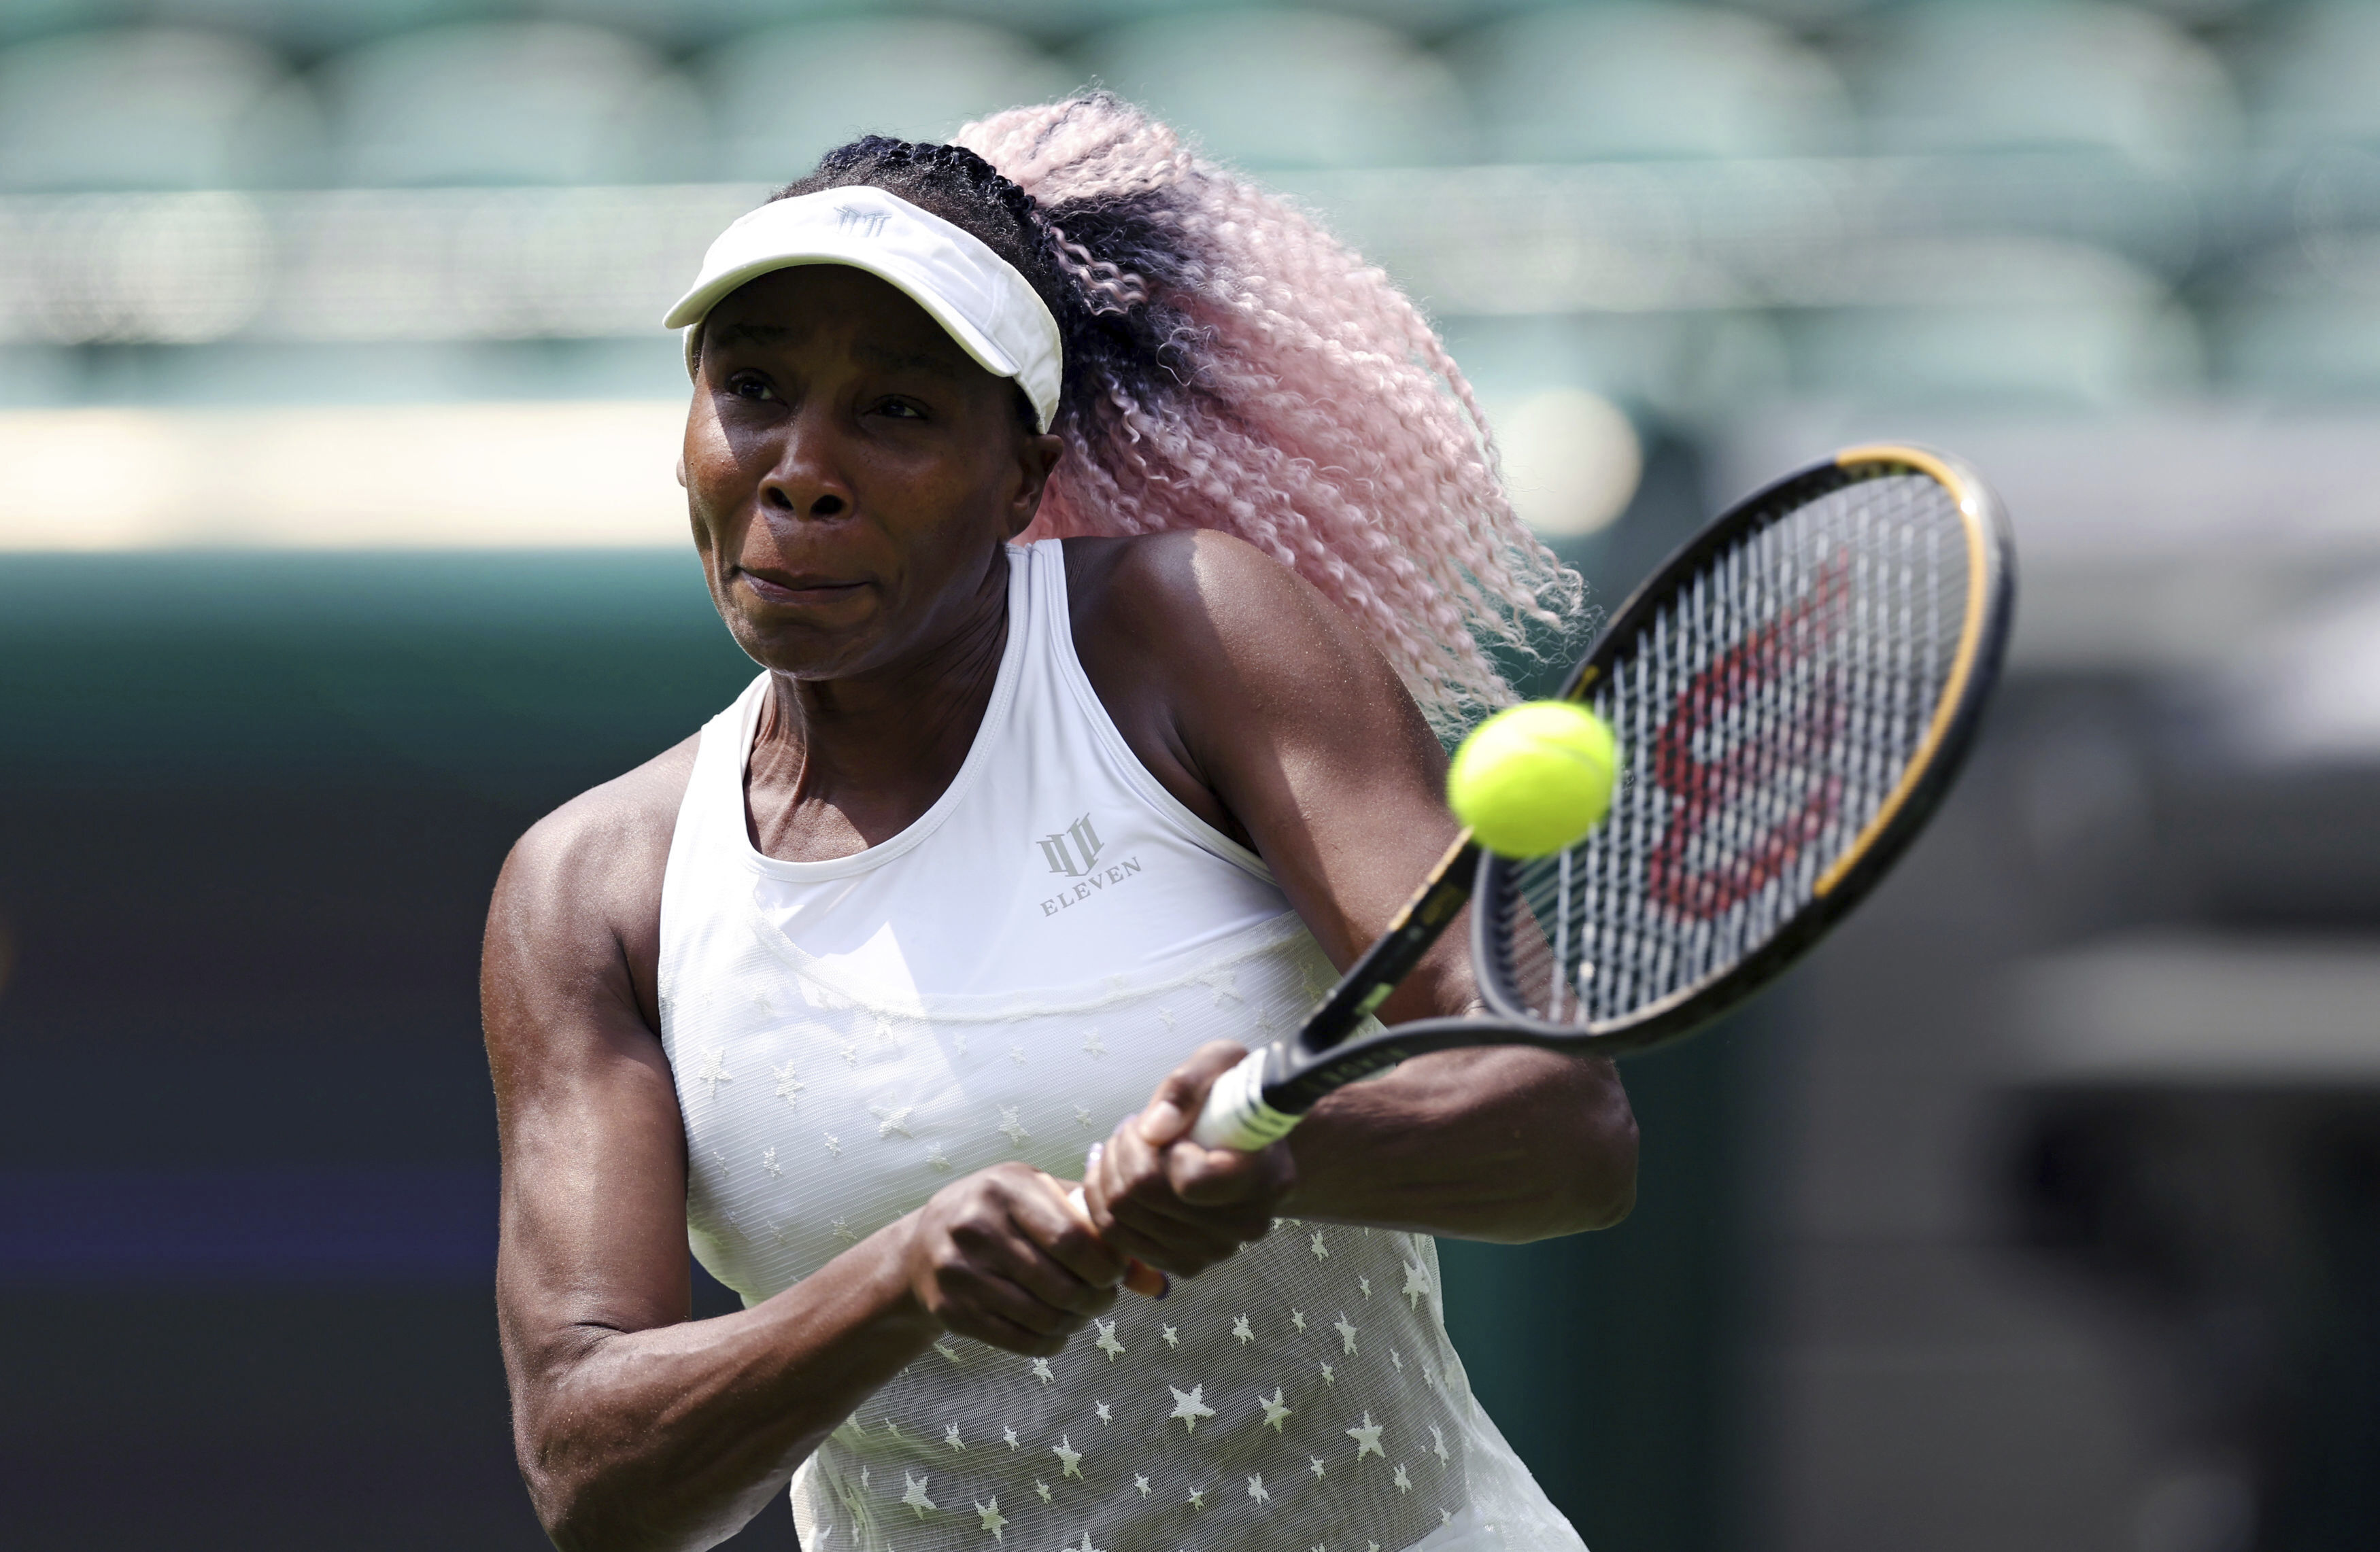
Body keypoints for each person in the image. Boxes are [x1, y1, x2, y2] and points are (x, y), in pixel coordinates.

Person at [483, 94, 1638, 1552]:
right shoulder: (589, 887)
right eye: (753, 386)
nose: (801, 467)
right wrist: (895, 1278)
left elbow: (1567, 1128)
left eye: (896, 409)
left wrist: (1280, 1156)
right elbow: (594, 1471)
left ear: (1022, 478)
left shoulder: (1199, 634)